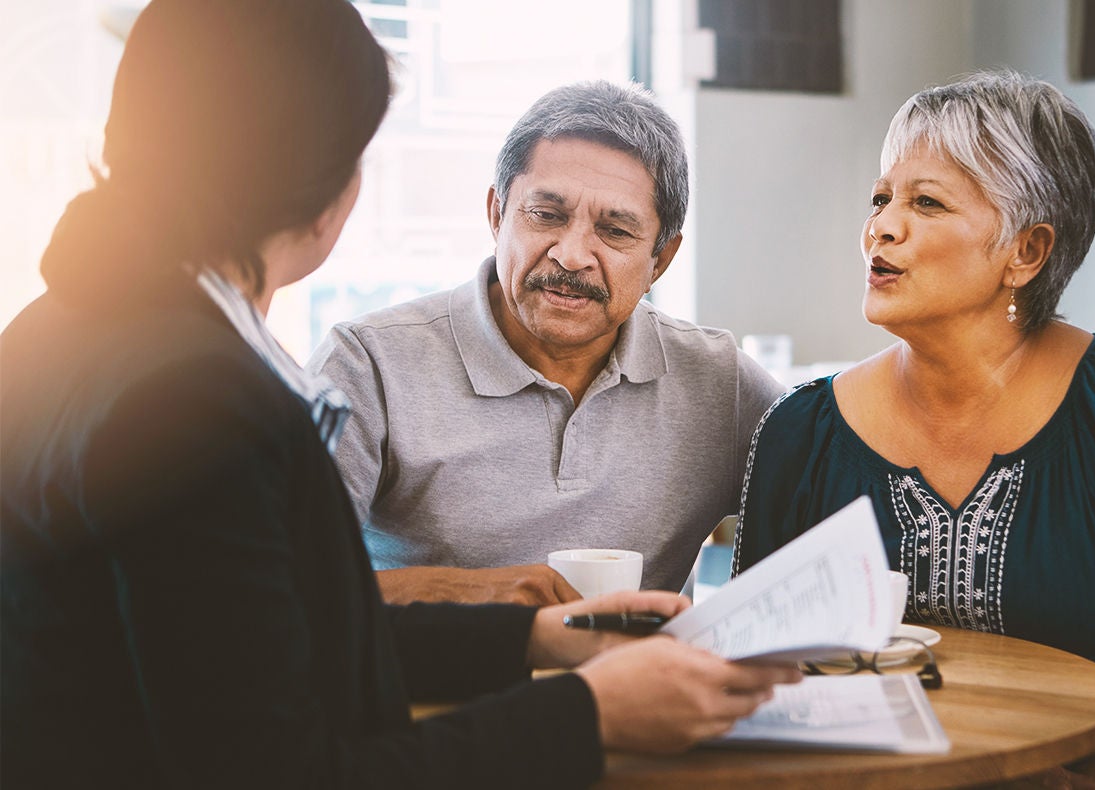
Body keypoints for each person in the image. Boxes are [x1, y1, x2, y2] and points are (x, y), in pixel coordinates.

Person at [0, 2, 798, 787]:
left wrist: (532, 639)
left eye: (615, 230)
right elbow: (286, 770)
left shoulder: (58, 329)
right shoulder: (199, 405)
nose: (572, 253)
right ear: (327, 193)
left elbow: (250, 647)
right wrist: (590, 714)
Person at [730, 70, 1095, 788]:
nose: (881, 227)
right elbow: (750, 675)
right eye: (881, 199)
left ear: (1025, 252)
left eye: (926, 202)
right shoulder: (800, 432)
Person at [307, 81, 784, 607]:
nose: (572, 255)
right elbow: (278, 587)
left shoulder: (719, 383)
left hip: (639, 665)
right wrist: (469, 594)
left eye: (616, 231)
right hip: (425, 665)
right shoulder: (367, 364)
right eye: (546, 215)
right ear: (497, 215)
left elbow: (843, 499)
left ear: (660, 260)